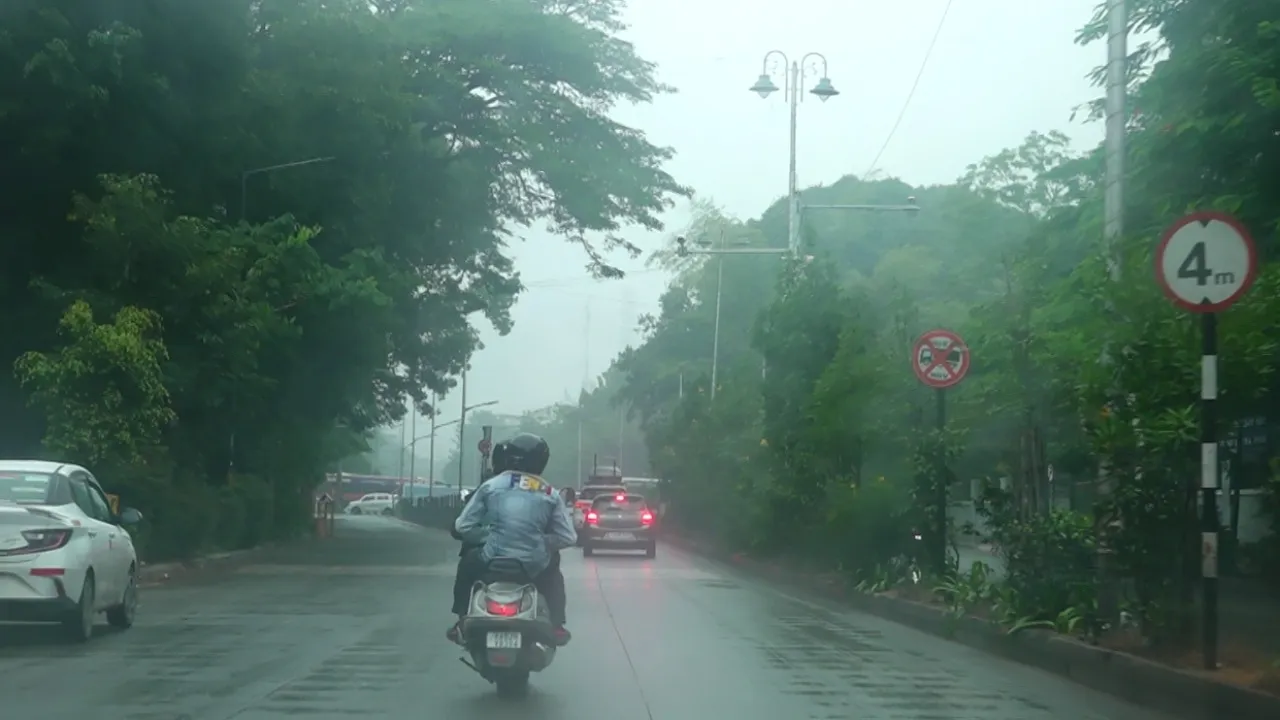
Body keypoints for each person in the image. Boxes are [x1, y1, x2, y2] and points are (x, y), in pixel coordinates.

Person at [449, 432, 576, 646]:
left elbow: (463, 526)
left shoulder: (491, 486)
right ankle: (556, 625)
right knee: (554, 568)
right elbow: (568, 537)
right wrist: (542, 542)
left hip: (492, 558)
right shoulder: (549, 492)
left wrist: (488, 536)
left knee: (467, 562)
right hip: (533, 564)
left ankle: (461, 619)